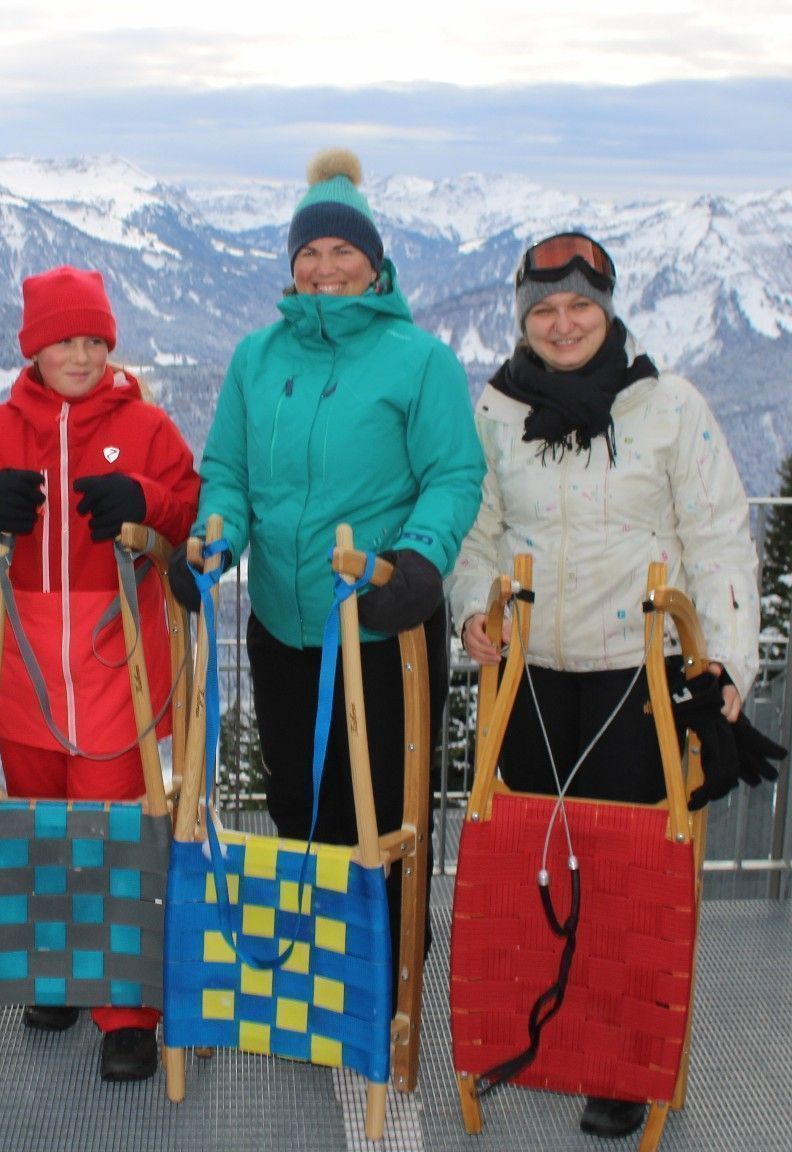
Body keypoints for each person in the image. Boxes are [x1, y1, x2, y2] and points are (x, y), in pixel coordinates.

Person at [448, 231, 778, 1139]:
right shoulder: (498, 412)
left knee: (630, 875)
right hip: (534, 675)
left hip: (640, 674)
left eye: (580, 306)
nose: (563, 324)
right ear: (524, 319)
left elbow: (717, 536)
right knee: (539, 860)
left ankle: (620, 1061)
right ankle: (541, 1023)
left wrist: (727, 665)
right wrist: (473, 608)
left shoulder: (669, 407)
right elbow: (477, 532)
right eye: (544, 310)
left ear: (610, 308)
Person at [169, 148, 485, 978]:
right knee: (297, 799)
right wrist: (215, 539)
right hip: (284, 621)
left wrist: (418, 560)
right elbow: (228, 474)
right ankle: (317, 954)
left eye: (343, 251)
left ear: (375, 262)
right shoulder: (257, 357)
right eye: (309, 252)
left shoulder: (420, 360)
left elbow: (454, 475)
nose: (324, 266)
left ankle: (388, 965)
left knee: (382, 801)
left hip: (381, 622)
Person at [0, 265, 199, 1083]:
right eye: (62, 340)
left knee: (118, 841)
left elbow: (187, 513)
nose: (79, 355)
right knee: (43, 835)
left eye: (93, 340)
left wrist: (144, 498)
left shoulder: (147, 424)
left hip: (117, 668)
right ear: (33, 348)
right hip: (23, 674)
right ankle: (58, 976)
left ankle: (126, 1012)